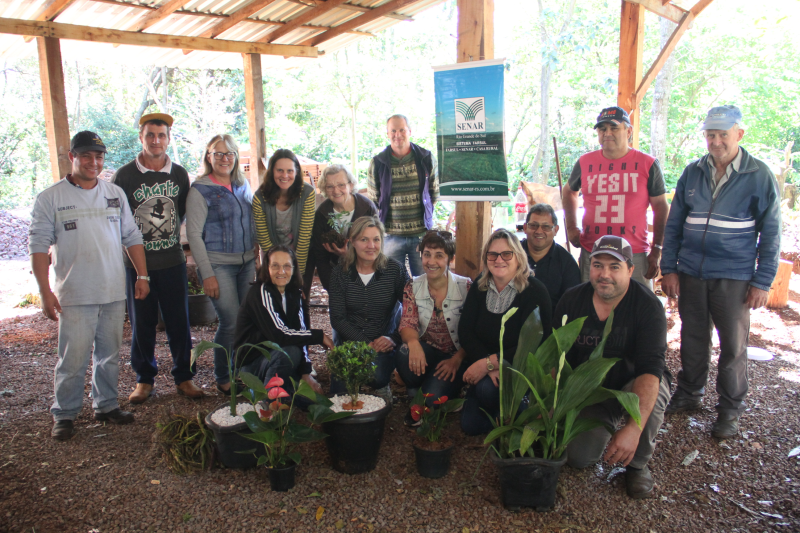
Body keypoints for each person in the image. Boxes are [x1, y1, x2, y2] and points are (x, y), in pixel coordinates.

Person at [660, 105, 782, 439]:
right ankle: (690, 392)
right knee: (692, 337)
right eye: (710, 135)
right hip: (692, 272)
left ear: (739, 134)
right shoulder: (693, 171)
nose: (715, 142)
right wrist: (669, 268)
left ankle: (729, 410)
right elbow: (674, 225)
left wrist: (762, 281)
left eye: (722, 135)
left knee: (733, 346)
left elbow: (771, 233)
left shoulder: (758, 175)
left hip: (734, 275)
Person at [29, 131, 149, 441]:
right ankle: (65, 413)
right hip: (75, 293)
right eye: (86, 156)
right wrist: (45, 291)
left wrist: (142, 275)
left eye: (98, 157)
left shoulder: (114, 194)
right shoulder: (51, 198)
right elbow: (39, 246)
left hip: (112, 290)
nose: (93, 162)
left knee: (109, 355)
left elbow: (132, 236)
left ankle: (106, 405)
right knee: (73, 359)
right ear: (72, 157)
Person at [556, 235, 670, 500]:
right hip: (591, 388)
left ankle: (637, 464)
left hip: (634, 381)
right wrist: (553, 404)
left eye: (614, 267)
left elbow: (650, 368)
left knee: (653, 396)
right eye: (598, 265)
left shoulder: (648, 306)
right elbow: (556, 358)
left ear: (630, 270)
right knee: (578, 458)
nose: (604, 274)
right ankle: (606, 422)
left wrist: (634, 428)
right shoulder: (572, 300)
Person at [111, 112, 203, 403]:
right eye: (150, 135)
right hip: (137, 264)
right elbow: (118, 219)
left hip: (172, 261)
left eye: (161, 135)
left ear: (168, 139)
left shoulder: (179, 174)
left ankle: (184, 376)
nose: (155, 140)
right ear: (141, 138)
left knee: (179, 321)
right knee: (142, 322)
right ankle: (144, 379)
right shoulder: (124, 176)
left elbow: (181, 211)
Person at [562, 106, 669, 290]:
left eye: (614, 128)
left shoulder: (648, 163)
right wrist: (571, 228)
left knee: (638, 304)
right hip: (593, 251)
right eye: (602, 129)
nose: (607, 133)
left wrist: (657, 248)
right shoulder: (585, 162)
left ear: (628, 131)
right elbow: (568, 192)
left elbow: (661, 206)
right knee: (590, 304)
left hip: (634, 253)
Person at [459, 229, 552, 436]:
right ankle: (505, 417)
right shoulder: (480, 286)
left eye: (506, 254)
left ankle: (517, 411)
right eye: (492, 254)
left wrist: (491, 363)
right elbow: (465, 331)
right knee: (470, 426)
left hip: (519, 370)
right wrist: (487, 365)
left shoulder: (535, 290)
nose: (499, 260)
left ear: (518, 257)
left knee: (486, 390)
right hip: (485, 368)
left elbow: (537, 342)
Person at [186, 134, 257, 395]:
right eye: (218, 153)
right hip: (218, 265)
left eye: (229, 154)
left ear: (236, 157)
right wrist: (207, 274)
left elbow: (253, 220)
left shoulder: (242, 184)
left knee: (246, 320)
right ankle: (224, 376)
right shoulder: (200, 190)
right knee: (231, 321)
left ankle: (242, 371)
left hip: (247, 263)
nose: (224, 159)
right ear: (209, 156)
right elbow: (194, 235)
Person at [328, 216, 409, 402]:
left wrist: (394, 337)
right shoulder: (340, 273)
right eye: (364, 239)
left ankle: (382, 385)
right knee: (339, 397)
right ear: (352, 242)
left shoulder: (395, 270)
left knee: (377, 376)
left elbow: (411, 309)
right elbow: (337, 318)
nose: (371, 246)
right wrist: (365, 344)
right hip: (350, 342)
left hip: (383, 342)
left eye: (376, 239)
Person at [233, 246, 331, 396]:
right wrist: (319, 336)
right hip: (253, 363)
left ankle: (284, 391)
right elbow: (279, 335)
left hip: (278, 357)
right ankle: (268, 399)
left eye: (287, 266)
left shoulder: (295, 292)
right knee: (289, 351)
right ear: (267, 268)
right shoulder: (260, 292)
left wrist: (305, 373)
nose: (281, 271)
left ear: (294, 268)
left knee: (310, 399)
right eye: (275, 266)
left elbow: (300, 332)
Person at [397, 230, 471, 426]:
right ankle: (419, 385)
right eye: (427, 254)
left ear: (450, 259)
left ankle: (447, 389)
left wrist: (457, 359)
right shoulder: (412, 286)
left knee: (430, 401)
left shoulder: (466, 287)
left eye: (439, 255)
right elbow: (407, 323)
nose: (431, 261)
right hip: (428, 351)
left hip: (456, 356)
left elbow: (474, 333)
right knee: (404, 352)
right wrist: (414, 343)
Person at [367, 114, 439, 276]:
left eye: (402, 130)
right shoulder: (377, 163)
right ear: (387, 134)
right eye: (393, 131)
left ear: (410, 131)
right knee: (390, 282)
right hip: (390, 235)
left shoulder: (426, 158)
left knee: (424, 282)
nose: (397, 134)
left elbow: (434, 192)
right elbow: (374, 200)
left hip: (421, 235)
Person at [310, 164, 377, 291]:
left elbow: (377, 247)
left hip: (365, 271)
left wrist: (349, 255)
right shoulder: (321, 213)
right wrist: (332, 288)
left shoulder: (367, 208)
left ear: (350, 185)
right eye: (330, 186)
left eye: (341, 185)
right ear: (324, 189)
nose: (336, 191)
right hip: (335, 272)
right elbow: (320, 256)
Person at [252, 149, 316, 278]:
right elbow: (264, 238)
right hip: (272, 257)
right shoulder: (259, 197)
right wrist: (277, 267)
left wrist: (297, 274)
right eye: (280, 170)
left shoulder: (307, 193)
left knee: (300, 290)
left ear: (296, 172)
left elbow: (304, 236)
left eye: (290, 171)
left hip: (302, 255)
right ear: (272, 171)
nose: (285, 175)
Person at [521, 203, 581, 309]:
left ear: (556, 230)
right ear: (525, 228)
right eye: (534, 225)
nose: (539, 231)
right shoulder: (510, 255)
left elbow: (572, 304)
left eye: (546, 227)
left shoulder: (567, 263)